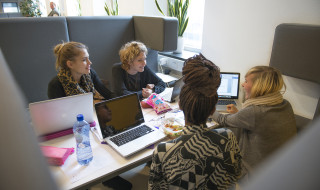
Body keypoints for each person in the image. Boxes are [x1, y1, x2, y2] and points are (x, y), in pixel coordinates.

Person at [148, 54, 242, 190]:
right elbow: (236, 174)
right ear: (213, 110)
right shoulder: (228, 137)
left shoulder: (163, 151)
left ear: (180, 105)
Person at [212, 66, 297, 174]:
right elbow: (260, 123)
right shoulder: (284, 104)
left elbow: (222, 119)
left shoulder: (255, 111)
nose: (242, 84)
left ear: (258, 86)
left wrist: (209, 109)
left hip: (253, 173)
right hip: (280, 168)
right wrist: (239, 114)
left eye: (246, 81)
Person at [47, 41, 114, 103]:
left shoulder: (91, 73)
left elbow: (108, 95)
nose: (90, 62)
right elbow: (58, 113)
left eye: (88, 58)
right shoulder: (55, 85)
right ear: (70, 64)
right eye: (84, 60)